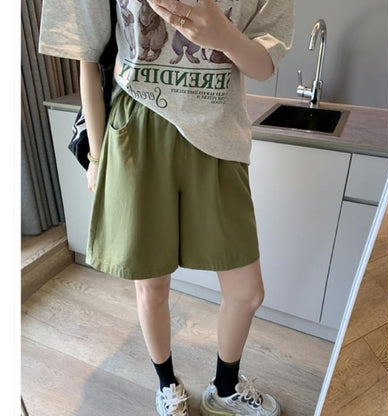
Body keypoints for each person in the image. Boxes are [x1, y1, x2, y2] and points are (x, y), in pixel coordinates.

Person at [39, 0, 294, 415]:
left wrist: (223, 36)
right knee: (152, 286)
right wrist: (98, 157)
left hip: (219, 135)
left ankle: (224, 387)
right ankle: (167, 384)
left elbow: (263, 65)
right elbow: (88, 56)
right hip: (137, 130)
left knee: (247, 292)